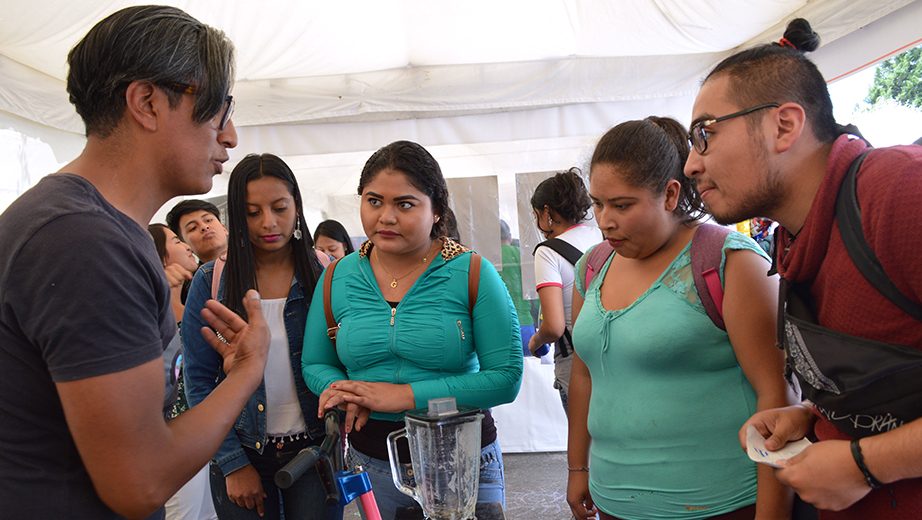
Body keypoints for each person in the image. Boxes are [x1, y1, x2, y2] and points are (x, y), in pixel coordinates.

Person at [0, 6, 273, 520]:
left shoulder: (77, 224)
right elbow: (140, 481)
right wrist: (248, 370)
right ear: (147, 102)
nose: (230, 135)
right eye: (218, 107)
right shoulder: (83, 241)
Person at [684, 18, 922, 519]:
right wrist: (812, 418)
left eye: (704, 134)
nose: (690, 165)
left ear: (784, 126)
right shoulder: (796, 237)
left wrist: (865, 464)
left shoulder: (898, 193)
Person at [567, 117, 796, 520]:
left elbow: (776, 395)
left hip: (721, 504)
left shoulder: (730, 263)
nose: (605, 221)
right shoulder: (592, 266)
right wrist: (577, 467)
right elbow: (584, 375)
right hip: (613, 502)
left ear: (670, 194)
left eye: (622, 205)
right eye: (598, 204)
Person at [301, 140, 523, 520]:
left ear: (436, 210)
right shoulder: (337, 276)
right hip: (373, 464)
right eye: (374, 201)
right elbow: (314, 363)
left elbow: (506, 378)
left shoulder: (473, 272)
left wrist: (403, 395)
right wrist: (341, 391)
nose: (385, 217)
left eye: (404, 204)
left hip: (461, 461)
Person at [183, 154, 341, 520]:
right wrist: (232, 463)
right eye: (252, 212)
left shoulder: (328, 275)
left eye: (279, 207)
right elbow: (198, 381)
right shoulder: (210, 282)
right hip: (242, 451)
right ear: (237, 217)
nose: (268, 223)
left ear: (297, 207)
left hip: (317, 450)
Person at [149, 223, 218, 520]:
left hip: (204, 432)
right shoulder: (149, 310)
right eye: (178, 239)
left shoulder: (197, 302)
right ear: (161, 258)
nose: (188, 244)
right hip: (170, 443)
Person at [527, 168, 599, 413]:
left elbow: (555, 326)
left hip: (576, 357)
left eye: (537, 214)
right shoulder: (601, 236)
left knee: (585, 442)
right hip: (613, 349)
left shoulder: (547, 252)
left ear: (547, 212)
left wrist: (535, 341)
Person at [498, 219, 536, 354]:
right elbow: (536, 294)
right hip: (524, 326)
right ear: (509, 237)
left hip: (496, 329)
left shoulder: (483, 256)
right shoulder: (521, 255)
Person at [167, 200, 229, 265]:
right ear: (185, 245)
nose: (204, 227)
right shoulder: (192, 275)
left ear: (224, 228)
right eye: (193, 228)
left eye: (208, 220)